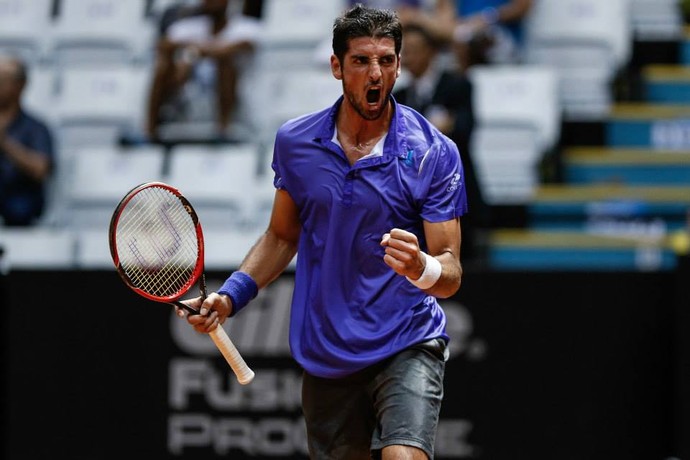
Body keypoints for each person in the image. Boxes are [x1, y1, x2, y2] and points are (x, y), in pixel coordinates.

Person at [178, 4, 467, 459]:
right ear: (337, 66)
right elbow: (281, 236)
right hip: (328, 352)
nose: (376, 74)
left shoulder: (433, 152)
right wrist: (230, 296)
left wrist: (422, 267)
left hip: (406, 340)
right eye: (361, 61)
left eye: (386, 61)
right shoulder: (296, 143)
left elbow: (450, 272)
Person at [393, 23, 486, 261]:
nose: (408, 57)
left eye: (415, 50)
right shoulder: (398, 97)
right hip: (413, 200)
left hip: (455, 193)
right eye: (404, 51)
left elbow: (465, 129)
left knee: (459, 265)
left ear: (432, 51)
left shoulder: (456, 85)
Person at [145, 0, 262, 141]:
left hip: (235, 102)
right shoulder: (186, 27)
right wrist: (190, 58)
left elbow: (229, 50)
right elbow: (164, 45)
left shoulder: (247, 28)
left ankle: (224, 129)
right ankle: (150, 132)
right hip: (188, 95)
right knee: (163, 68)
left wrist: (191, 53)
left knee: (225, 63)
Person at [399, 0, 533, 72]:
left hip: (500, 32)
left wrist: (488, 18)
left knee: (466, 37)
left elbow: (523, 6)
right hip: (461, 30)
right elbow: (445, 15)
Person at [0, 53, 55, 227]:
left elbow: (41, 169)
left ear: (21, 85)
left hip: (19, 205)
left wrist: (5, 144)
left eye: (5, 79)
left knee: (20, 207)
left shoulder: (36, 128)